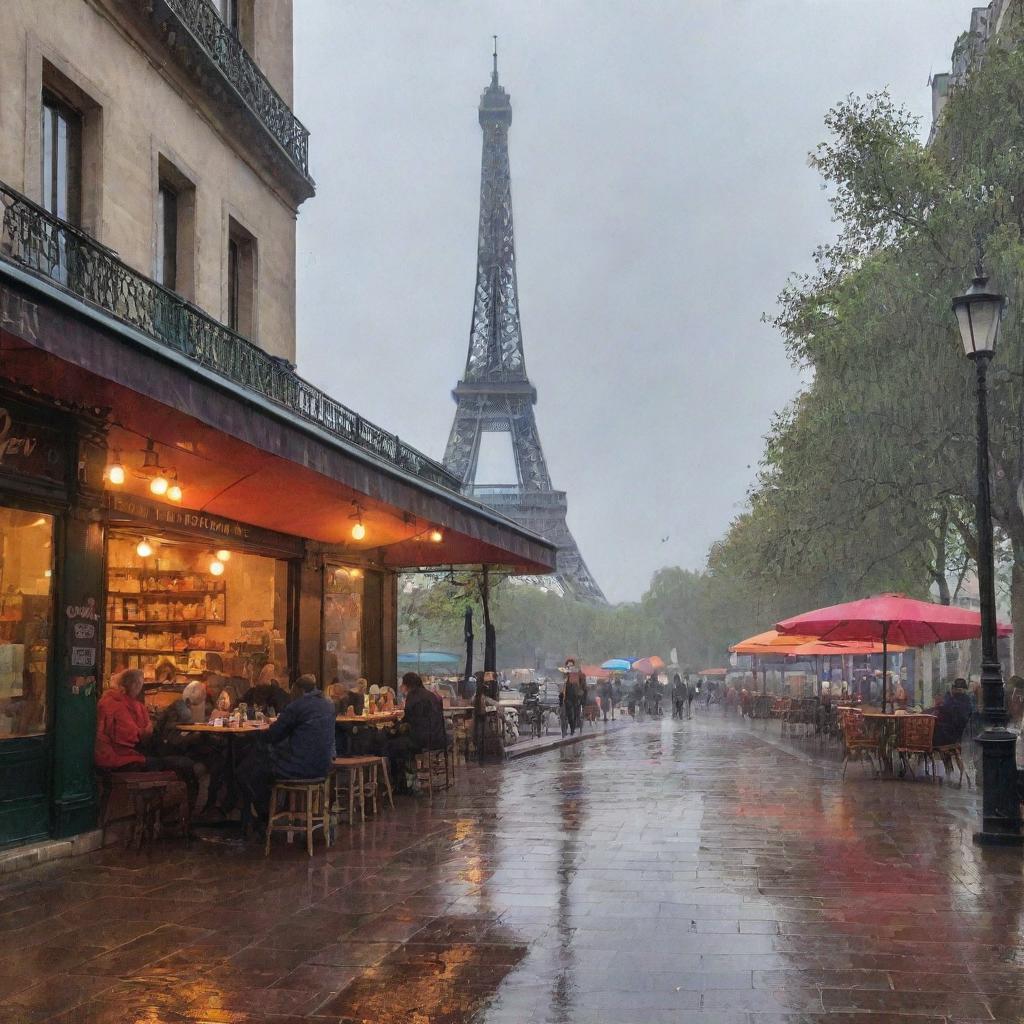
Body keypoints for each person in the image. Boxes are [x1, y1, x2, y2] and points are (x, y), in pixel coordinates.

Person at [94, 669, 198, 810]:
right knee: (184, 765)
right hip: (121, 760)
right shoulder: (117, 705)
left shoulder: (111, 701)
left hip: (116, 756)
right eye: (140, 684)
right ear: (136, 684)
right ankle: (181, 817)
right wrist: (147, 730)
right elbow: (131, 738)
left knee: (175, 758)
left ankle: (170, 816)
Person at [237, 674, 336, 820]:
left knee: (246, 771)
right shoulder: (328, 704)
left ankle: (263, 816)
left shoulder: (297, 706)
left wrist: (254, 736)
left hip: (300, 767)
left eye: (293, 691)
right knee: (259, 766)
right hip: (324, 766)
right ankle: (277, 810)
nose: (290, 694)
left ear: (300, 690)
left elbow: (273, 735)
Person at [384, 673, 447, 785]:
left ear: (407, 685)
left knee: (391, 745)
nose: (401, 686)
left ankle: (402, 785)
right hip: (439, 738)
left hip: (422, 741)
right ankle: (409, 781)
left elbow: (408, 721)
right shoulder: (431, 695)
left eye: (403, 684)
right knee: (400, 743)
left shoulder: (412, 697)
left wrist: (394, 727)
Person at [932, 677, 973, 748]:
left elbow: (960, 718)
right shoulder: (951, 698)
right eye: (956, 689)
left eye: (959, 689)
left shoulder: (963, 699)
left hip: (953, 732)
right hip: (951, 730)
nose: (957, 691)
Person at [561, 658, 586, 735]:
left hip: (576, 696)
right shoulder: (565, 673)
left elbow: (583, 684)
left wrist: (580, 692)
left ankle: (573, 728)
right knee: (569, 713)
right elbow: (562, 684)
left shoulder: (578, 673)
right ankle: (570, 725)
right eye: (568, 665)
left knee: (575, 713)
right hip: (567, 696)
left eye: (571, 665)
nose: (570, 667)